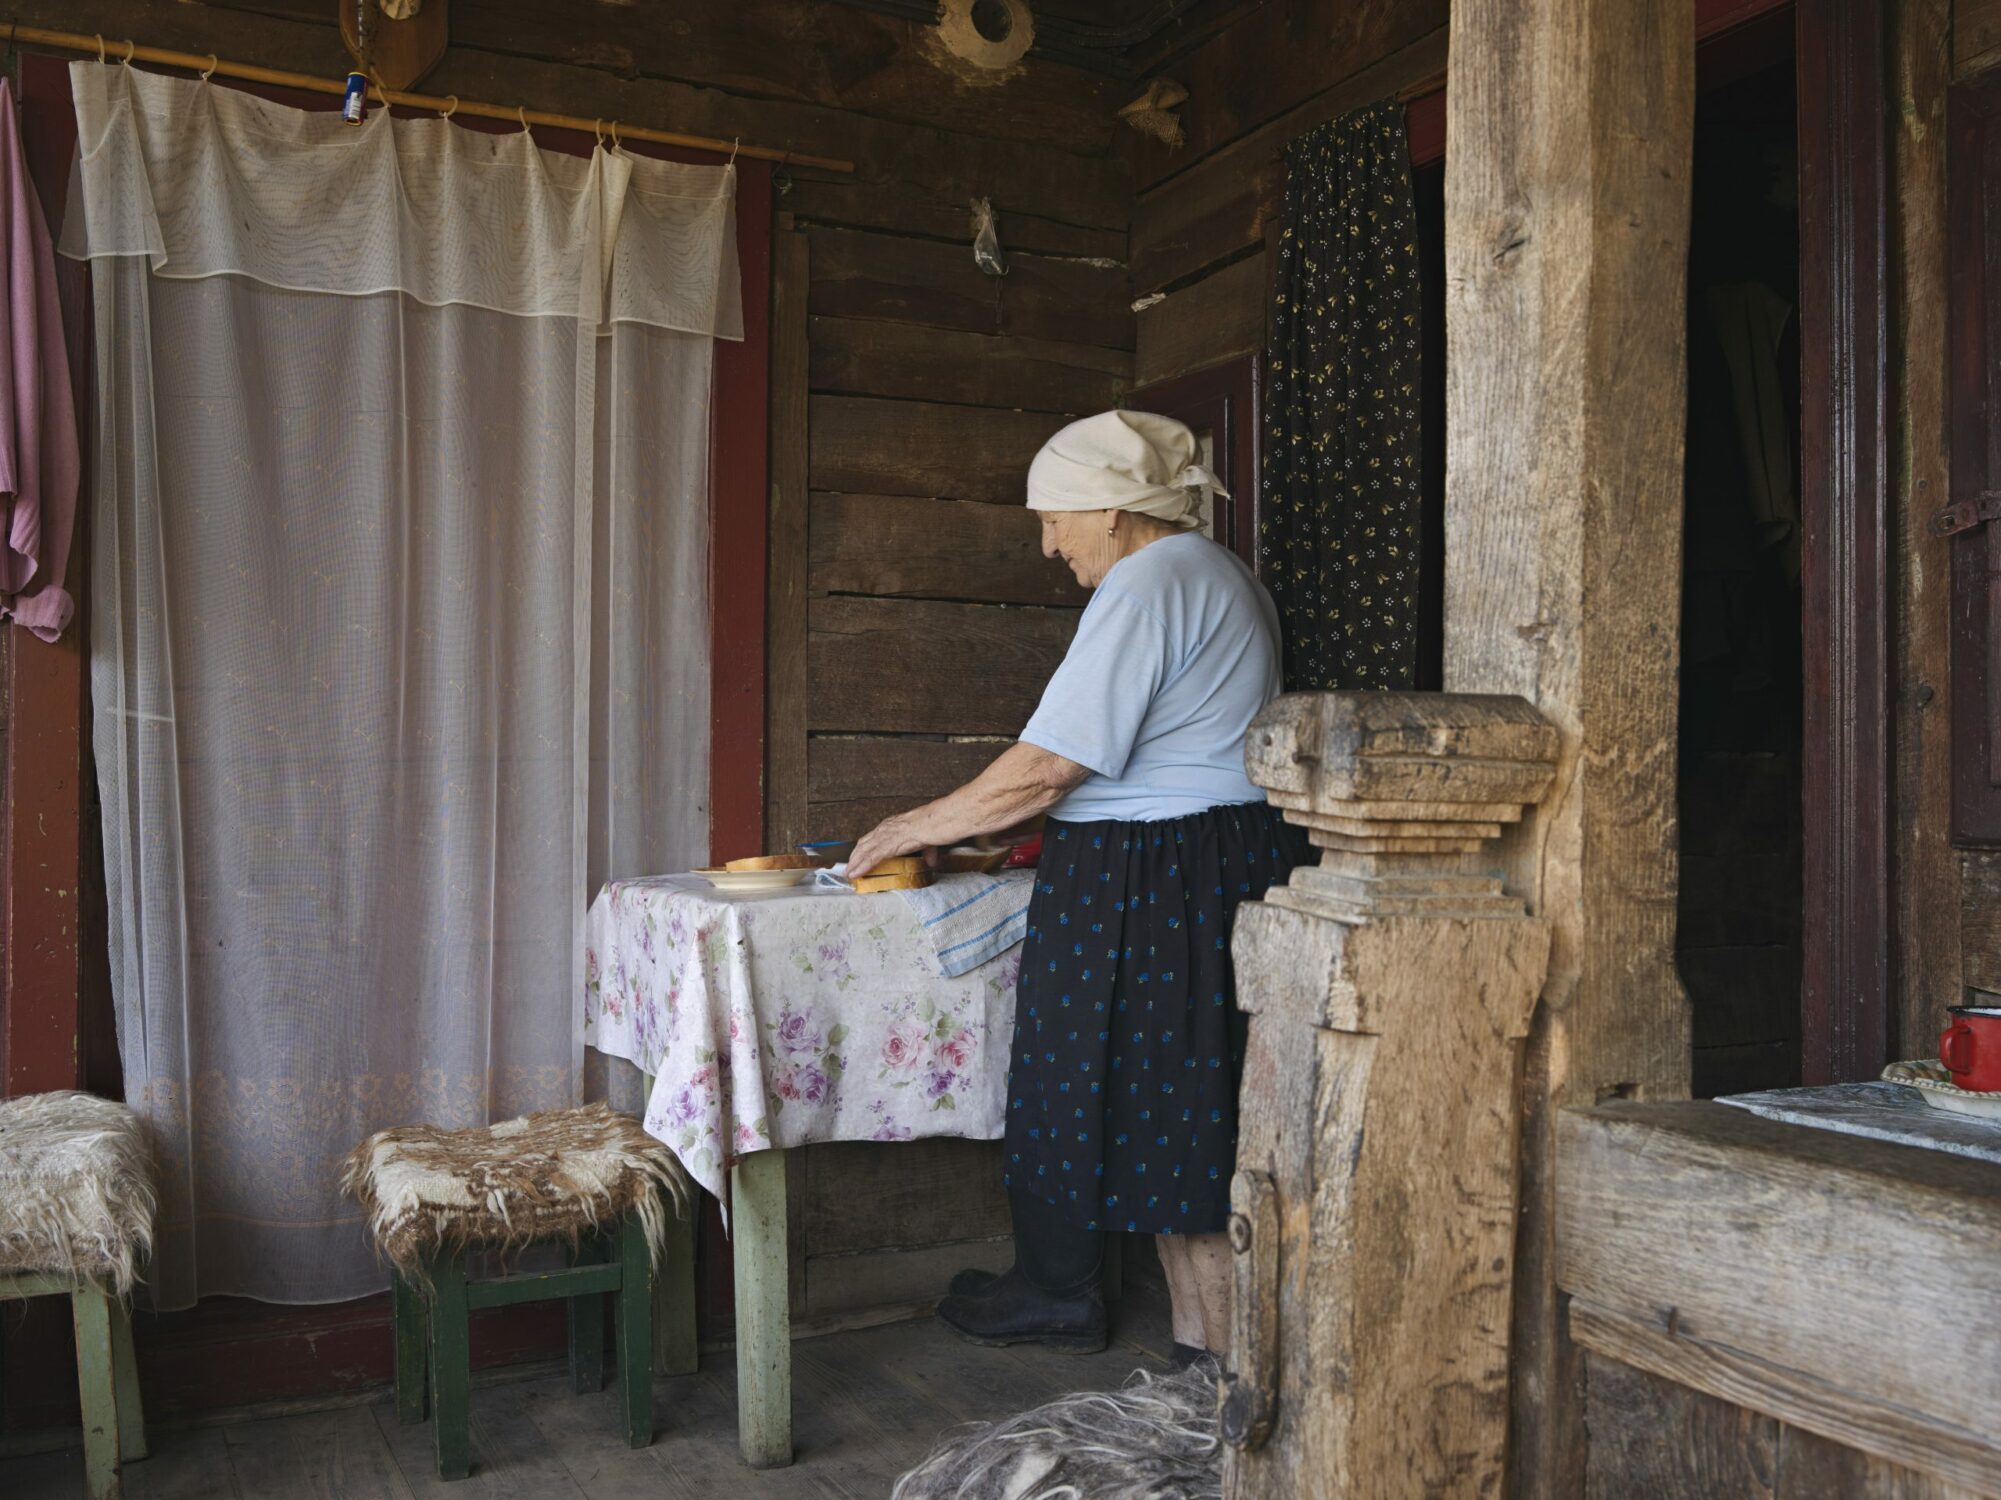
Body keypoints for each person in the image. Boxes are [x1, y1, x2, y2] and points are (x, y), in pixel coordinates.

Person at [847, 410, 1308, 1367]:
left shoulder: (1150, 582)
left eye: (1054, 519)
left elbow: (1051, 765)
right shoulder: (1218, 577)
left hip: (1165, 874)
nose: (1049, 543)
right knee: (1170, 1127)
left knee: (1182, 1132)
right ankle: (1198, 1361)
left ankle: (1225, 1384)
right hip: (1187, 861)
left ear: (1111, 508)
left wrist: (911, 826)